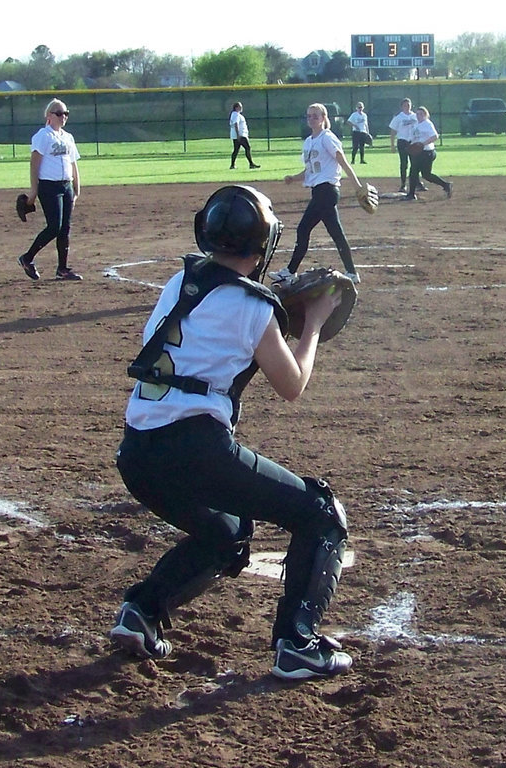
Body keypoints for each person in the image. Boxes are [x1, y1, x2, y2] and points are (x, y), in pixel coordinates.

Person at [110, 184, 353, 681]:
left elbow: (212, 335)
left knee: (225, 532)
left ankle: (144, 612)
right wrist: (312, 322)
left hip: (137, 452)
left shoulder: (179, 283)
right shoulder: (254, 308)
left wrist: (272, 312)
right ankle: (297, 643)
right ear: (262, 246)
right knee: (321, 514)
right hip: (195, 447)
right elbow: (292, 384)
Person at [269, 103, 364, 287]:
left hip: (327, 190)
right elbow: (310, 171)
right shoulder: (309, 141)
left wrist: (357, 185)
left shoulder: (327, 138)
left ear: (323, 118)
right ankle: (352, 272)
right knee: (336, 233)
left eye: (315, 116)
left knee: (303, 228)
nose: (311, 119)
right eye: (309, 116)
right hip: (320, 191)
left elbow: (343, 162)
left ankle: (289, 271)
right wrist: (293, 178)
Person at [17, 98, 82, 281]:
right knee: (54, 226)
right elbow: (34, 164)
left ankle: (62, 269)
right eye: (59, 113)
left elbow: (73, 163)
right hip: (49, 186)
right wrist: (33, 191)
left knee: (65, 229)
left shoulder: (68, 137)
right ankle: (27, 258)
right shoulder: (43, 136)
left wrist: (77, 188)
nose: (63, 117)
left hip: (66, 185)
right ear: (49, 116)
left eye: (66, 113)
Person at [403, 106, 453, 201]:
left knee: (421, 174)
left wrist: (422, 144)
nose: (419, 116)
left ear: (426, 115)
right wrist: (409, 145)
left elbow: (435, 136)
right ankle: (411, 194)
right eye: (417, 114)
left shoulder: (427, 124)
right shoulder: (416, 124)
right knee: (419, 173)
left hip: (427, 152)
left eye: (421, 114)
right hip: (419, 153)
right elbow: (413, 138)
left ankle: (446, 185)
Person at [388, 97, 425, 194]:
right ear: (401, 107)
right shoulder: (398, 117)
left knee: (415, 164)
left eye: (408, 105)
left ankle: (417, 183)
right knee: (404, 164)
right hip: (402, 141)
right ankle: (403, 184)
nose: (407, 107)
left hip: (413, 142)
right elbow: (393, 131)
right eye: (405, 105)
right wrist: (392, 145)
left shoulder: (415, 116)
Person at [228, 101, 261, 170]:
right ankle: (251, 164)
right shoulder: (235, 114)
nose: (241, 108)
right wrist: (238, 135)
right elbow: (236, 124)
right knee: (247, 148)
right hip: (240, 135)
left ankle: (232, 165)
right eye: (240, 106)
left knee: (236, 150)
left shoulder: (236, 114)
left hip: (239, 135)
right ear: (236, 107)